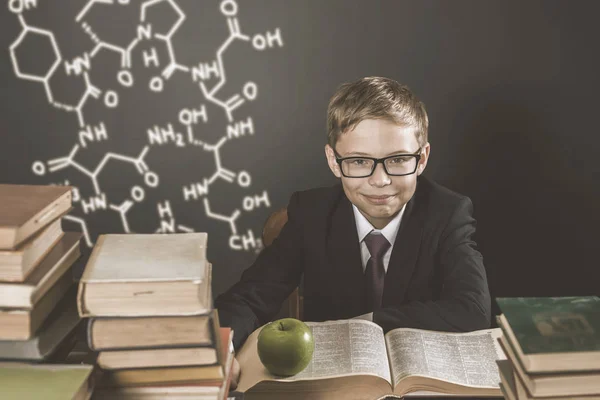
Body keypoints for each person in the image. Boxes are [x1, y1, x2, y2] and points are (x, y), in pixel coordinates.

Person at [215, 76, 491, 389]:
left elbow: (473, 310)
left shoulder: (447, 212)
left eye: (398, 160)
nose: (380, 180)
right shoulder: (312, 213)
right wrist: (223, 351)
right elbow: (249, 297)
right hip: (332, 386)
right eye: (359, 161)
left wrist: (369, 323)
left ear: (422, 158)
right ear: (334, 161)